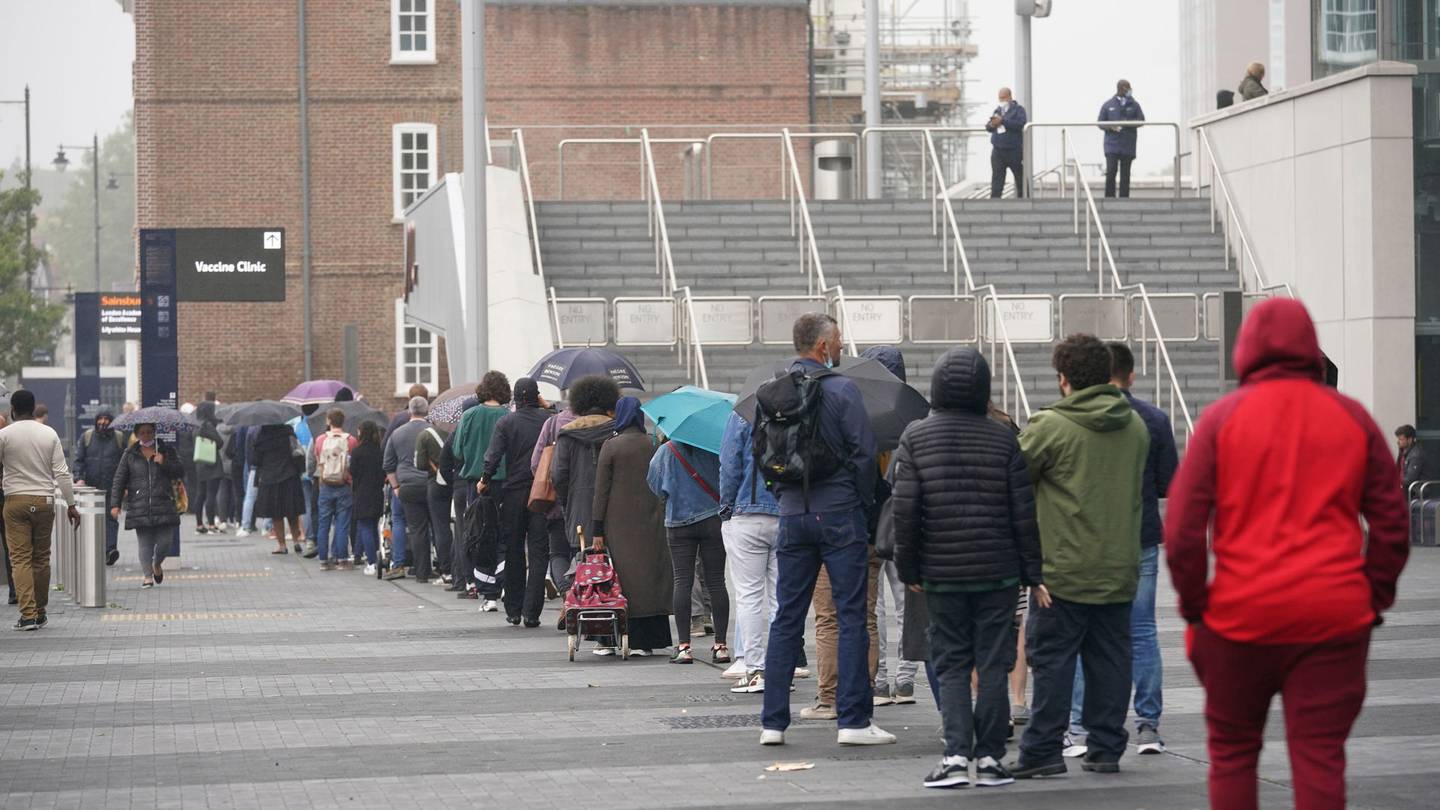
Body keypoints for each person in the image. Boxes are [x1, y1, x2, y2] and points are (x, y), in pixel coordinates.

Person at [1166, 299, 1410, 810]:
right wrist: (1373, 596)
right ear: (1310, 349)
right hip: (1333, 617)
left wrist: (1195, 609)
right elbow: (1392, 522)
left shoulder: (1219, 421)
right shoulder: (1353, 419)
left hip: (1239, 615)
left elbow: (1185, 529)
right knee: (1320, 757)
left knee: (1233, 755)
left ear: (1246, 349)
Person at [891, 346, 1043, 789]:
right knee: (993, 664)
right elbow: (1023, 513)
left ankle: (956, 756)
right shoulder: (1003, 438)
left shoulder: (916, 437)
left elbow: (906, 510)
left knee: (953, 663)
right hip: (998, 572)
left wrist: (910, 568)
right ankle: (992, 760)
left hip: (941, 573)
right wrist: (1032, 573)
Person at [1011, 333, 1149, 778]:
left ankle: (1042, 752)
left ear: (1063, 379)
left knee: (1052, 662)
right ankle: (1106, 748)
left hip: (1061, 572)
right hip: (1119, 566)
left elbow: (1015, 475)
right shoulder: (1134, 425)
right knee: (1110, 661)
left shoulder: (1050, 426)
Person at [759, 312, 892, 747]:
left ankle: (773, 723)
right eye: (836, 341)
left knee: (787, 617)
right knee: (852, 615)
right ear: (822, 347)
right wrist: (860, 502)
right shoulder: (842, 390)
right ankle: (853, 721)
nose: (840, 348)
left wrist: (787, 498)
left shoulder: (774, 392)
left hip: (793, 513)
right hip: (838, 513)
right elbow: (862, 452)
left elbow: (762, 453)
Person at [1066, 342, 1179, 760]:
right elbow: (1170, 483)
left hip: (1088, 537)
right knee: (1143, 631)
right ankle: (1148, 724)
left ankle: (1078, 727)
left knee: (1081, 632)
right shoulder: (1153, 418)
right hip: (1141, 535)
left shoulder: (1074, 418)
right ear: (1131, 375)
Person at [592, 396, 675, 656]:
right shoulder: (652, 444)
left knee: (619, 580)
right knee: (650, 580)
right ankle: (648, 641)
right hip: (652, 522)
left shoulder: (611, 446)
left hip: (618, 525)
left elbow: (601, 491)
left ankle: (611, 639)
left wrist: (597, 529)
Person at [862, 345, 919, 707]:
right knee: (906, 600)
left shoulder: (860, 414)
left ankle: (880, 679)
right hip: (906, 519)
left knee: (873, 606)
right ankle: (907, 677)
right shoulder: (912, 416)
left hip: (869, 522)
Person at [647, 432, 730, 664]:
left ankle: (684, 647)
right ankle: (721, 646)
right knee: (716, 581)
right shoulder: (714, 449)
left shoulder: (665, 451)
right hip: (713, 520)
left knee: (682, 580)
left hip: (679, 522)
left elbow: (654, 484)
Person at [0, 391, 80, 630]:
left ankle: (27, 615)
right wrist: (72, 504)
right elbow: (62, 473)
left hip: (15, 501)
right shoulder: (49, 433)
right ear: (34, 408)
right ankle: (41, 610)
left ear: (13, 408)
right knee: (41, 558)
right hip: (45, 500)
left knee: (20, 559)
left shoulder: (4, 435)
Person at [481, 377, 552, 627]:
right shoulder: (548, 420)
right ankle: (532, 612)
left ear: (515, 398)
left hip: (514, 491)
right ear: (536, 396)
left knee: (513, 549)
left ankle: (513, 608)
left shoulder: (506, 422)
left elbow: (493, 455)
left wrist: (485, 479)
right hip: (542, 493)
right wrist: (549, 407)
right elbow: (567, 422)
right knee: (539, 551)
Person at [719, 411, 781, 692]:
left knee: (749, 596)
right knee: (782, 598)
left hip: (747, 513)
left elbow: (729, 466)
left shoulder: (741, 415)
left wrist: (726, 508)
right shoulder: (797, 413)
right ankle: (783, 665)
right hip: (787, 513)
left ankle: (755, 667)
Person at [453, 372, 512, 609]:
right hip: (505, 483)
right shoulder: (509, 416)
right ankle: (506, 582)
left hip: (475, 484)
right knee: (504, 535)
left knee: (479, 536)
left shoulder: (469, 415)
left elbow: (457, 451)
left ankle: (488, 594)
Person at [108, 422, 184, 589]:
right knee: (145, 543)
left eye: (149, 432)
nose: (146, 435)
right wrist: (115, 504)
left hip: (164, 503)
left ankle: (156, 564)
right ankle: (147, 576)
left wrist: (163, 462)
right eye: (142, 432)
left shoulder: (166, 450)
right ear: (137, 434)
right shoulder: (129, 454)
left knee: (165, 542)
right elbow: (119, 480)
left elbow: (180, 471)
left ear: (154, 433)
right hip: (140, 504)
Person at [386, 396, 436, 583]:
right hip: (431, 483)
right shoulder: (433, 431)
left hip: (407, 486)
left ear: (409, 411)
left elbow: (388, 464)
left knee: (417, 529)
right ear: (427, 410)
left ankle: (421, 572)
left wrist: (396, 487)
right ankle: (443, 568)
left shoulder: (397, 433)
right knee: (437, 527)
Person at [532, 401, 578, 601]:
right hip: (583, 502)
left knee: (558, 553)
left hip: (556, 504)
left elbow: (536, 463)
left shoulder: (552, 424)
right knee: (581, 554)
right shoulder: (597, 425)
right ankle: (580, 598)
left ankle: (567, 596)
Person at [74, 408, 124, 565]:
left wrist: (125, 485)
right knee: (92, 519)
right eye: (100, 419)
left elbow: (125, 462)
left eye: (106, 419)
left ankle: (110, 550)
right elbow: (79, 460)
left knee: (111, 518)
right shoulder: (87, 437)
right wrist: (79, 478)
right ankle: (94, 550)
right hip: (92, 487)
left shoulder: (118, 437)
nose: (103, 422)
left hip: (113, 486)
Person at [313, 409, 359, 570]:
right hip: (344, 485)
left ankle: (323, 561)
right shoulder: (351, 440)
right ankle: (342, 560)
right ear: (343, 421)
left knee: (323, 524)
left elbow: (318, 459)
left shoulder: (320, 440)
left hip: (325, 485)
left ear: (328, 421)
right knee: (342, 524)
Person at [251, 423, 306, 555]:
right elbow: (297, 452)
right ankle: (296, 541)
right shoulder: (288, 432)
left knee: (276, 514)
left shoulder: (261, 437)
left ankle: (282, 545)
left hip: (271, 478)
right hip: (290, 475)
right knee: (292, 511)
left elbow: (255, 460)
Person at [349, 421, 386, 575]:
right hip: (377, 492)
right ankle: (377, 556)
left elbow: (353, 471)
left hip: (361, 493)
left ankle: (371, 561)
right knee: (374, 527)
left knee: (364, 526)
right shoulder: (380, 451)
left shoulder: (358, 452)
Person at [1097, 79, 1144, 198]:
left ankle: (1124, 198)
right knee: (1111, 171)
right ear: (1121, 88)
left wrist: (1127, 123)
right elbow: (1100, 123)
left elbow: (1141, 120)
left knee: (1125, 174)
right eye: (1127, 88)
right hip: (1112, 145)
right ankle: (1109, 197)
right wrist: (1111, 127)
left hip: (1128, 144)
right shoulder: (1108, 105)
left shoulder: (1134, 105)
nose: (1129, 90)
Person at [986, 87, 1028, 199]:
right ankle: (994, 201)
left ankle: (1023, 198)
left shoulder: (1018, 110)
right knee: (997, 177)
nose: (1001, 100)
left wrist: (1003, 121)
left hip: (1013, 149)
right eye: (1000, 98)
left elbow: (1020, 124)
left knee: (1019, 176)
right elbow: (989, 127)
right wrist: (992, 124)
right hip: (998, 150)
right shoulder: (997, 110)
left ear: (1009, 97)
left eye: (1003, 97)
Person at [191, 401, 226, 534]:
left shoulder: (195, 425)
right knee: (211, 494)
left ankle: (199, 524)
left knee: (200, 494)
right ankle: (211, 524)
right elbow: (220, 442)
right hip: (211, 463)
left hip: (200, 463)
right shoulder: (208, 425)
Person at [1397, 424, 1428, 496]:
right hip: (1405, 490)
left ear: (1410, 440)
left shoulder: (1416, 455)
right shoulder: (1403, 452)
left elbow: (1409, 479)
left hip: (1415, 492)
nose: (1398, 442)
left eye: (1401, 439)